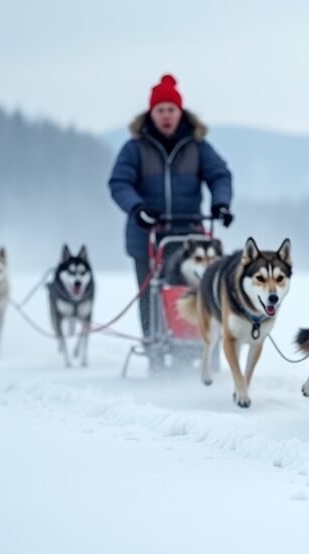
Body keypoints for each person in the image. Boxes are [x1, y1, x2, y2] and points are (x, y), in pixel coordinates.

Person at [109, 74, 234, 369]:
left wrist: (221, 203)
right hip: (147, 235)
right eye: (160, 110)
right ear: (151, 114)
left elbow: (220, 175)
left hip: (190, 235)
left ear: (181, 113)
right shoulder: (135, 148)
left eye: (171, 110)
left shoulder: (198, 146)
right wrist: (136, 207)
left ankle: (199, 344)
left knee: (198, 290)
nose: (166, 116)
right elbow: (119, 183)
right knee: (151, 293)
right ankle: (155, 347)